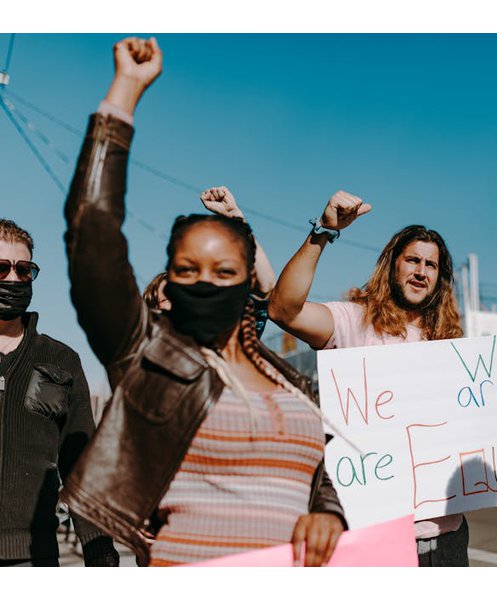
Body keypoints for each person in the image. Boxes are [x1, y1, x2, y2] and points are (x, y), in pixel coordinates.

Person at [61, 37, 346, 567]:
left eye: (224, 271)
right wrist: (125, 92)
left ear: (247, 283)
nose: (205, 283)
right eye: (187, 270)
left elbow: (321, 472)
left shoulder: (292, 381)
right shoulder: (147, 359)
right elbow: (93, 236)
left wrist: (328, 512)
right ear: (168, 281)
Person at [268, 192, 497, 566]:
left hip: (448, 541)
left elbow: (487, 427)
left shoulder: (449, 347)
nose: (421, 271)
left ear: (439, 278)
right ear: (392, 265)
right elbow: (283, 309)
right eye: (412, 260)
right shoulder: (350, 321)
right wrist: (325, 231)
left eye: (431, 265)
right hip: (375, 539)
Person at [0, 219, 119, 567]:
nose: (12, 279)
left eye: (23, 270)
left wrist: (101, 552)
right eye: (1, 268)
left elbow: (82, 466)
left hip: (34, 560)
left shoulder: (61, 360)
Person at [143, 186, 274, 338]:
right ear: (154, 311)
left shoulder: (229, 338)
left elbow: (265, 285)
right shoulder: (150, 355)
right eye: (168, 297)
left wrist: (236, 220)